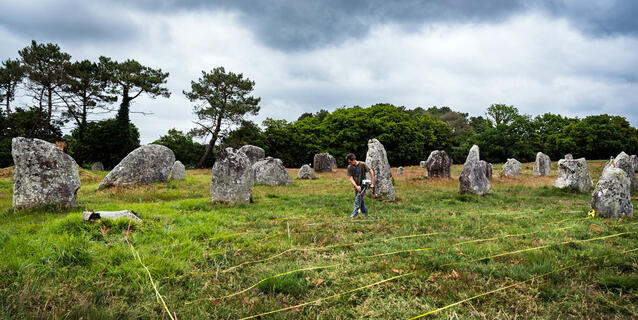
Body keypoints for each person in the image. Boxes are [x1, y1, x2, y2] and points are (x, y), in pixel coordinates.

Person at [346, 153, 374, 218]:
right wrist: (356, 186)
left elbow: (371, 172)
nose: (349, 163)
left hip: (363, 186)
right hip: (356, 186)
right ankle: (366, 215)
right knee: (360, 201)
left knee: (357, 201)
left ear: (353, 160)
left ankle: (352, 216)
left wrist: (372, 183)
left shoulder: (363, 164)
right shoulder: (350, 167)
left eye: (350, 162)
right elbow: (350, 177)